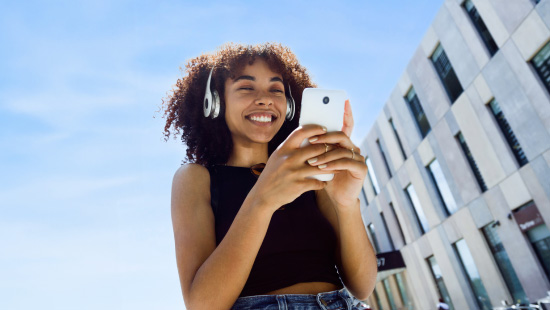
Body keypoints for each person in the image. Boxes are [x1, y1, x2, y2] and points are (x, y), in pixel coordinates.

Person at [161, 42, 378, 310]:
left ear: (287, 105)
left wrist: (346, 205)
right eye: (246, 87)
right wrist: (263, 200)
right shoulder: (194, 178)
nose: (265, 98)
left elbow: (363, 286)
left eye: (276, 89)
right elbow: (203, 305)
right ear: (215, 102)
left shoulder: (310, 172)